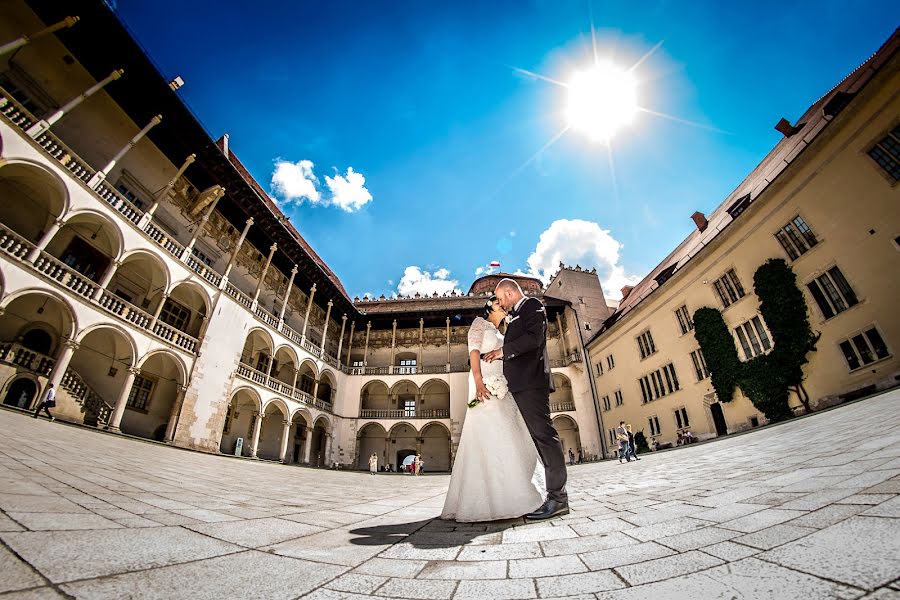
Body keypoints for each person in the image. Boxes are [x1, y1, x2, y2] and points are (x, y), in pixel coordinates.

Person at [441, 294, 545, 522]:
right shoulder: (479, 324)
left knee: (510, 432)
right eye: (500, 303)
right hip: (483, 381)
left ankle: (517, 493)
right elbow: (474, 353)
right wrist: (478, 381)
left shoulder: (501, 333)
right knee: (486, 430)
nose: (504, 306)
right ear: (490, 306)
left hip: (501, 382)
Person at [485, 278, 569, 521]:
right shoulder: (517, 315)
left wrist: (502, 351)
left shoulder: (532, 305)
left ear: (510, 293)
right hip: (522, 384)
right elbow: (519, 348)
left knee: (544, 436)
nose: (500, 303)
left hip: (532, 383)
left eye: (500, 299)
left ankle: (558, 498)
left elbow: (533, 340)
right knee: (537, 437)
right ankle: (552, 495)